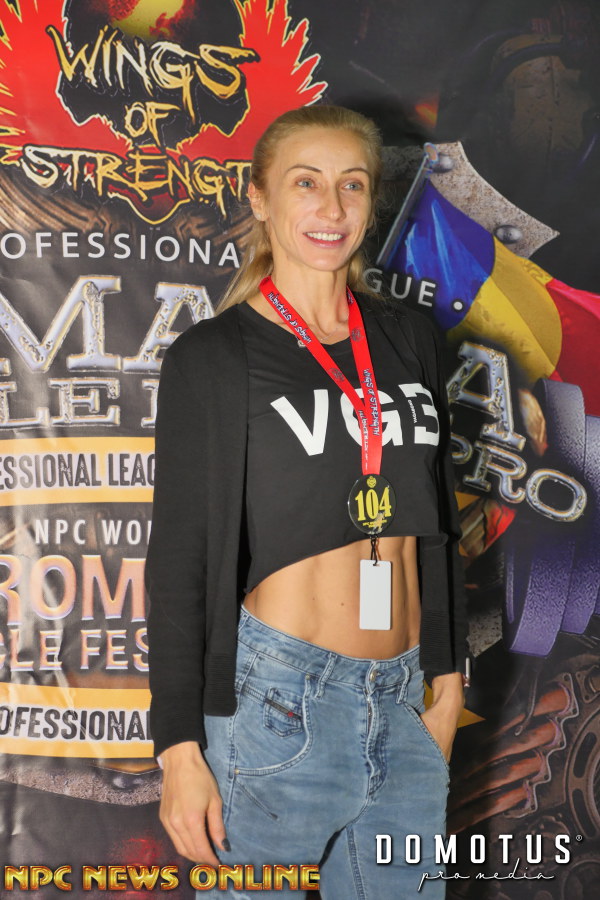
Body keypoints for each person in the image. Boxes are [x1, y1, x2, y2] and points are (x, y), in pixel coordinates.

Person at [146, 104, 468, 899]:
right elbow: (180, 559)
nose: (332, 206)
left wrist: (448, 683)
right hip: (277, 705)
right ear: (260, 198)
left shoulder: (410, 339)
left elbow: (436, 522)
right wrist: (179, 749)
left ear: (372, 201)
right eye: (306, 183)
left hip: (405, 702)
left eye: (352, 184)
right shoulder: (214, 357)